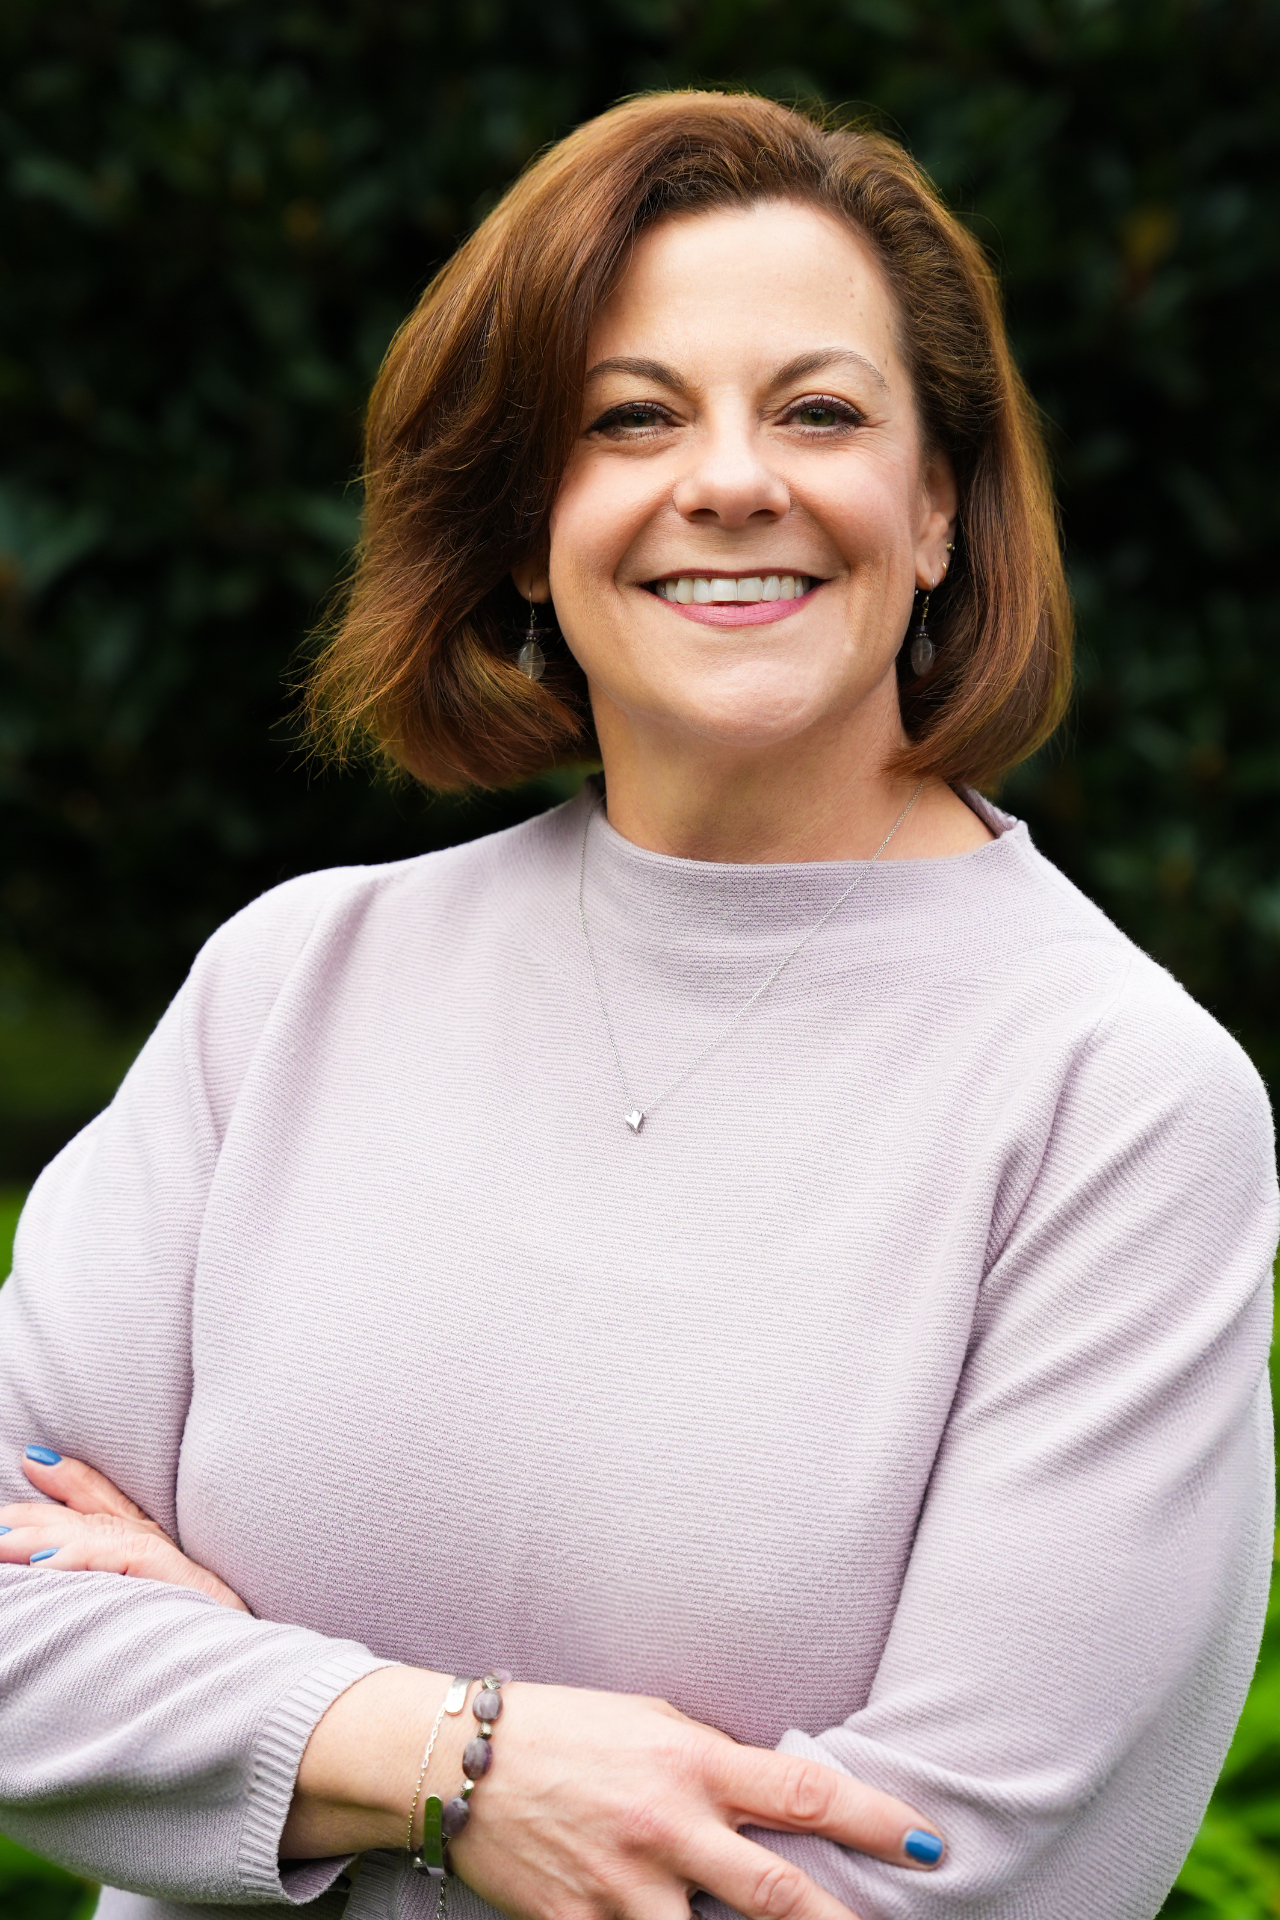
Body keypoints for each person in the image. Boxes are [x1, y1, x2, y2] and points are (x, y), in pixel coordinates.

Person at [0, 89, 1274, 1920]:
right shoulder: (289, 983)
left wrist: (267, 1736)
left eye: (820, 411)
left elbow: (940, 1881)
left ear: (937, 511)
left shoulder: (1117, 1099)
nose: (732, 479)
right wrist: (430, 1752)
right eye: (631, 419)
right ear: (529, 530)